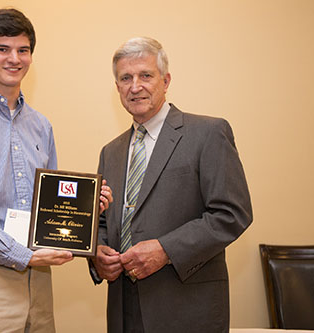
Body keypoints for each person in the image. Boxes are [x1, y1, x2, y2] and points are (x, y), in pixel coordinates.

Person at [0, 8, 111, 333]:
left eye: (23, 50)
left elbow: (49, 208)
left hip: (38, 281)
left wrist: (86, 207)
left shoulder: (41, 126)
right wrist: (19, 254)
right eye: (3, 49)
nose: (15, 58)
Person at [90, 36, 253, 333]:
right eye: (126, 78)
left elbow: (232, 214)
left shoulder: (208, 133)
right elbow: (102, 220)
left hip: (186, 308)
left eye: (145, 75)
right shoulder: (110, 152)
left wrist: (166, 249)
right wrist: (97, 253)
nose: (135, 86)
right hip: (122, 309)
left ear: (165, 81)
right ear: (117, 88)